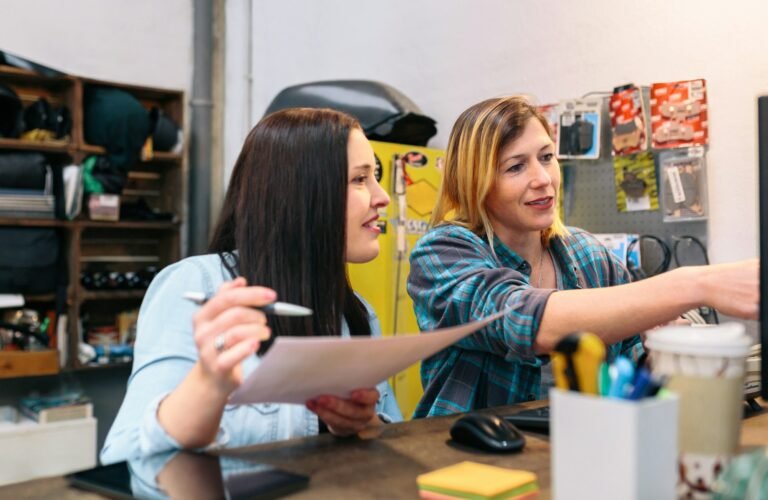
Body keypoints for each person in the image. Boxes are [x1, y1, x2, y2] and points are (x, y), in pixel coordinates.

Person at [407, 95, 758, 417]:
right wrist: (694, 283)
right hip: (466, 465)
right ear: (473, 181)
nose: (543, 179)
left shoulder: (587, 253)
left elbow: (630, 373)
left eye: (546, 157)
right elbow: (522, 321)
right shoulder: (443, 252)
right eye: (516, 167)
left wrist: (660, 349)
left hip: (582, 452)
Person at [101, 108, 402, 463]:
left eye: (376, 177)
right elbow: (123, 454)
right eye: (359, 179)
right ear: (300, 191)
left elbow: (391, 447)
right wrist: (209, 384)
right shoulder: (198, 285)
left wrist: (363, 424)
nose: (382, 197)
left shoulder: (358, 314)